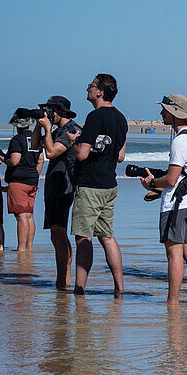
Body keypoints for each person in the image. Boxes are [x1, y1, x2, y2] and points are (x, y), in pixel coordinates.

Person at [138, 96, 187, 303]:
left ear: (175, 113)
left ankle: (172, 302)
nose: (161, 114)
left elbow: (172, 179)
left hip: (177, 205)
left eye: (164, 110)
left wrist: (152, 183)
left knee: (174, 255)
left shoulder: (181, 140)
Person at [72, 73, 126, 295]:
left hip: (90, 184)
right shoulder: (121, 118)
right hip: (109, 184)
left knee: (83, 237)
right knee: (107, 236)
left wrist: (73, 141)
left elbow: (82, 154)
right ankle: (119, 287)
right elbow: (121, 155)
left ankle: (79, 288)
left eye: (91, 86)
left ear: (100, 91)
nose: (88, 89)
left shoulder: (94, 117)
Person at [37, 96, 81, 288]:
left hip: (63, 188)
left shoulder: (71, 130)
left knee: (59, 233)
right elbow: (34, 145)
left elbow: (51, 152)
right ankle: (62, 279)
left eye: (50, 110)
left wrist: (47, 129)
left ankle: (64, 280)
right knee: (56, 234)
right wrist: (39, 125)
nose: (48, 114)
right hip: (55, 187)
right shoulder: (58, 130)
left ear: (60, 111)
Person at [4, 110, 43, 252]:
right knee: (29, 216)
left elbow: (14, 160)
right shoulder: (35, 137)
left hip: (18, 181)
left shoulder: (16, 140)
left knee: (21, 216)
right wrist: (34, 175)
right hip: (32, 181)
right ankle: (29, 247)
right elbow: (41, 160)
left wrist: (4, 159)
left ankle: (21, 248)